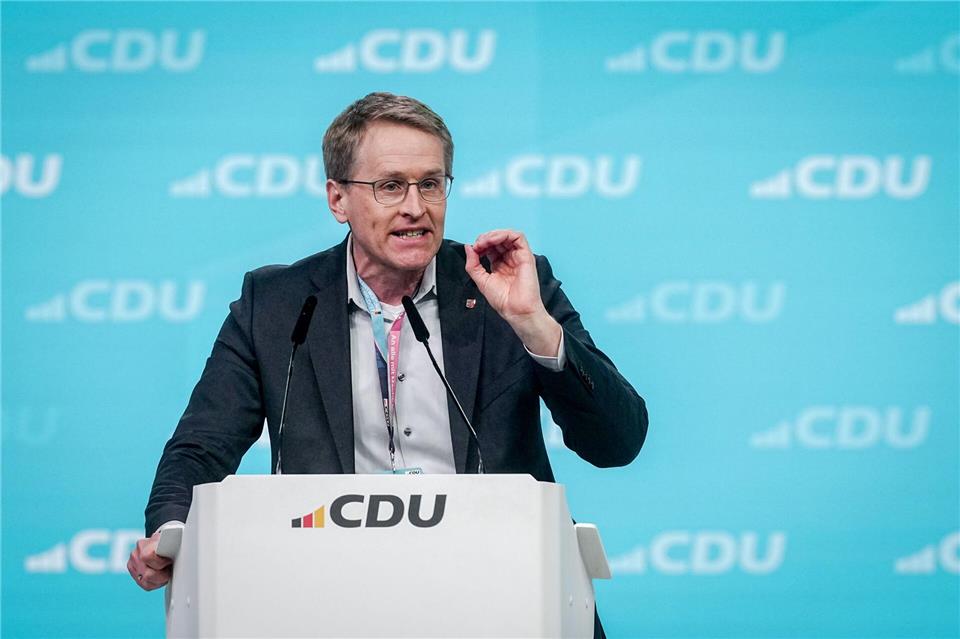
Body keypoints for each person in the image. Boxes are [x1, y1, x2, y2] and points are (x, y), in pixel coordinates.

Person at [128, 93, 648, 633]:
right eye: (390, 186)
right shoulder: (277, 303)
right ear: (338, 199)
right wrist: (173, 534)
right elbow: (200, 447)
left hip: (503, 595)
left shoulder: (507, 285)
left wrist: (535, 326)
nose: (415, 208)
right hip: (332, 601)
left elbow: (618, 442)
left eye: (431, 183)